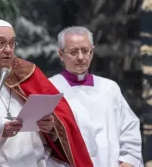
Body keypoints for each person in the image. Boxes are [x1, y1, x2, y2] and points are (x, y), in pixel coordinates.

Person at [0, 19, 94, 167]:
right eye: (1, 43)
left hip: (38, 158)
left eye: (12, 43)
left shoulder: (27, 71)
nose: (8, 50)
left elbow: (62, 116)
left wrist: (51, 127)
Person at [49, 26, 143, 167]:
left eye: (85, 51)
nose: (81, 57)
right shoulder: (50, 89)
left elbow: (129, 129)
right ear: (61, 54)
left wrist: (128, 161)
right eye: (73, 52)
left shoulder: (109, 88)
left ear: (92, 52)